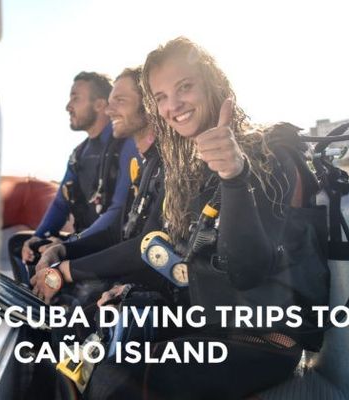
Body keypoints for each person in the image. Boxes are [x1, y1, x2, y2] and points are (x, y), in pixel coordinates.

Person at [85, 37, 329, 399]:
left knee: (113, 382)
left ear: (212, 84)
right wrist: (132, 290)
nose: (173, 105)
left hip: (263, 341)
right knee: (95, 335)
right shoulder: (189, 167)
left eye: (185, 87)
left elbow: (246, 272)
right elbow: (178, 254)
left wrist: (234, 177)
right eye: (161, 96)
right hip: (209, 324)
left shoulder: (268, 153)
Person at [30, 67, 168, 306]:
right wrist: (63, 249)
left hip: (157, 288)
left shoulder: (165, 164)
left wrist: (66, 269)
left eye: (120, 101)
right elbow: (118, 229)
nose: (109, 109)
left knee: (83, 299)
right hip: (125, 260)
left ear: (149, 105)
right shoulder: (144, 165)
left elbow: (145, 244)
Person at [8, 71, 139, 283]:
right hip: (81, 239)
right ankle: (35, 298)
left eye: (76, 98)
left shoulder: (127, 145)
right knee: (20, 245)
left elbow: (117, 211)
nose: (68, 106)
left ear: (99, 105)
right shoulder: (79, 154)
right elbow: (60, 204)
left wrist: (70, 245)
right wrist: (38, 236)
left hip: (108, 244)